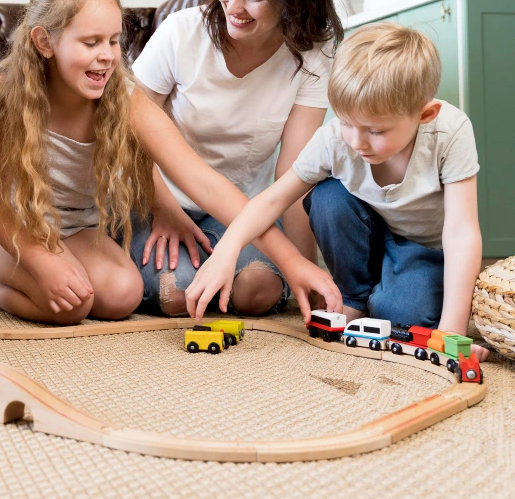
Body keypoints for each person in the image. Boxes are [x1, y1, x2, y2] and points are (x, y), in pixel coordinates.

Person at [0, 0, 339, 325]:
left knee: (123, 295)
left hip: (78, 225)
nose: (108, 56)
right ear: (45, 42)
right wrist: (40, 261)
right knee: (70, 309)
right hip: (15, 226)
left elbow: (203, 181)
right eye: (90, 42)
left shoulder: (122, 97)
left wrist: (292, 261)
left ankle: (33, 278)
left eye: (112, 41)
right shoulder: (3, 99)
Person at [195, 23, 488, 360]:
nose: (357, 142)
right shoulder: (335, 139)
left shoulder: (450, 132)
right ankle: (354, 298)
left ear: (425, 114)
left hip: (424, 249)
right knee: (328, 197)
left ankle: (385, 295)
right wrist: (226, 250)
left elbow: (462, 232)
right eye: (347, 122)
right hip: (368, 240)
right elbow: (274, 198)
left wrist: (452, 330)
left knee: (400, 315)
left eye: (375, 131)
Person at [130, 0, 343, 317]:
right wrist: (164, 208)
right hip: (157, 201)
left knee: (258, 291)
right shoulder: (181, 33)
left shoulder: (313, 55)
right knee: (179, 293)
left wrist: (304, 272)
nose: (234, 5)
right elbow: (132, 135)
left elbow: (294, 175)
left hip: (241, 213)